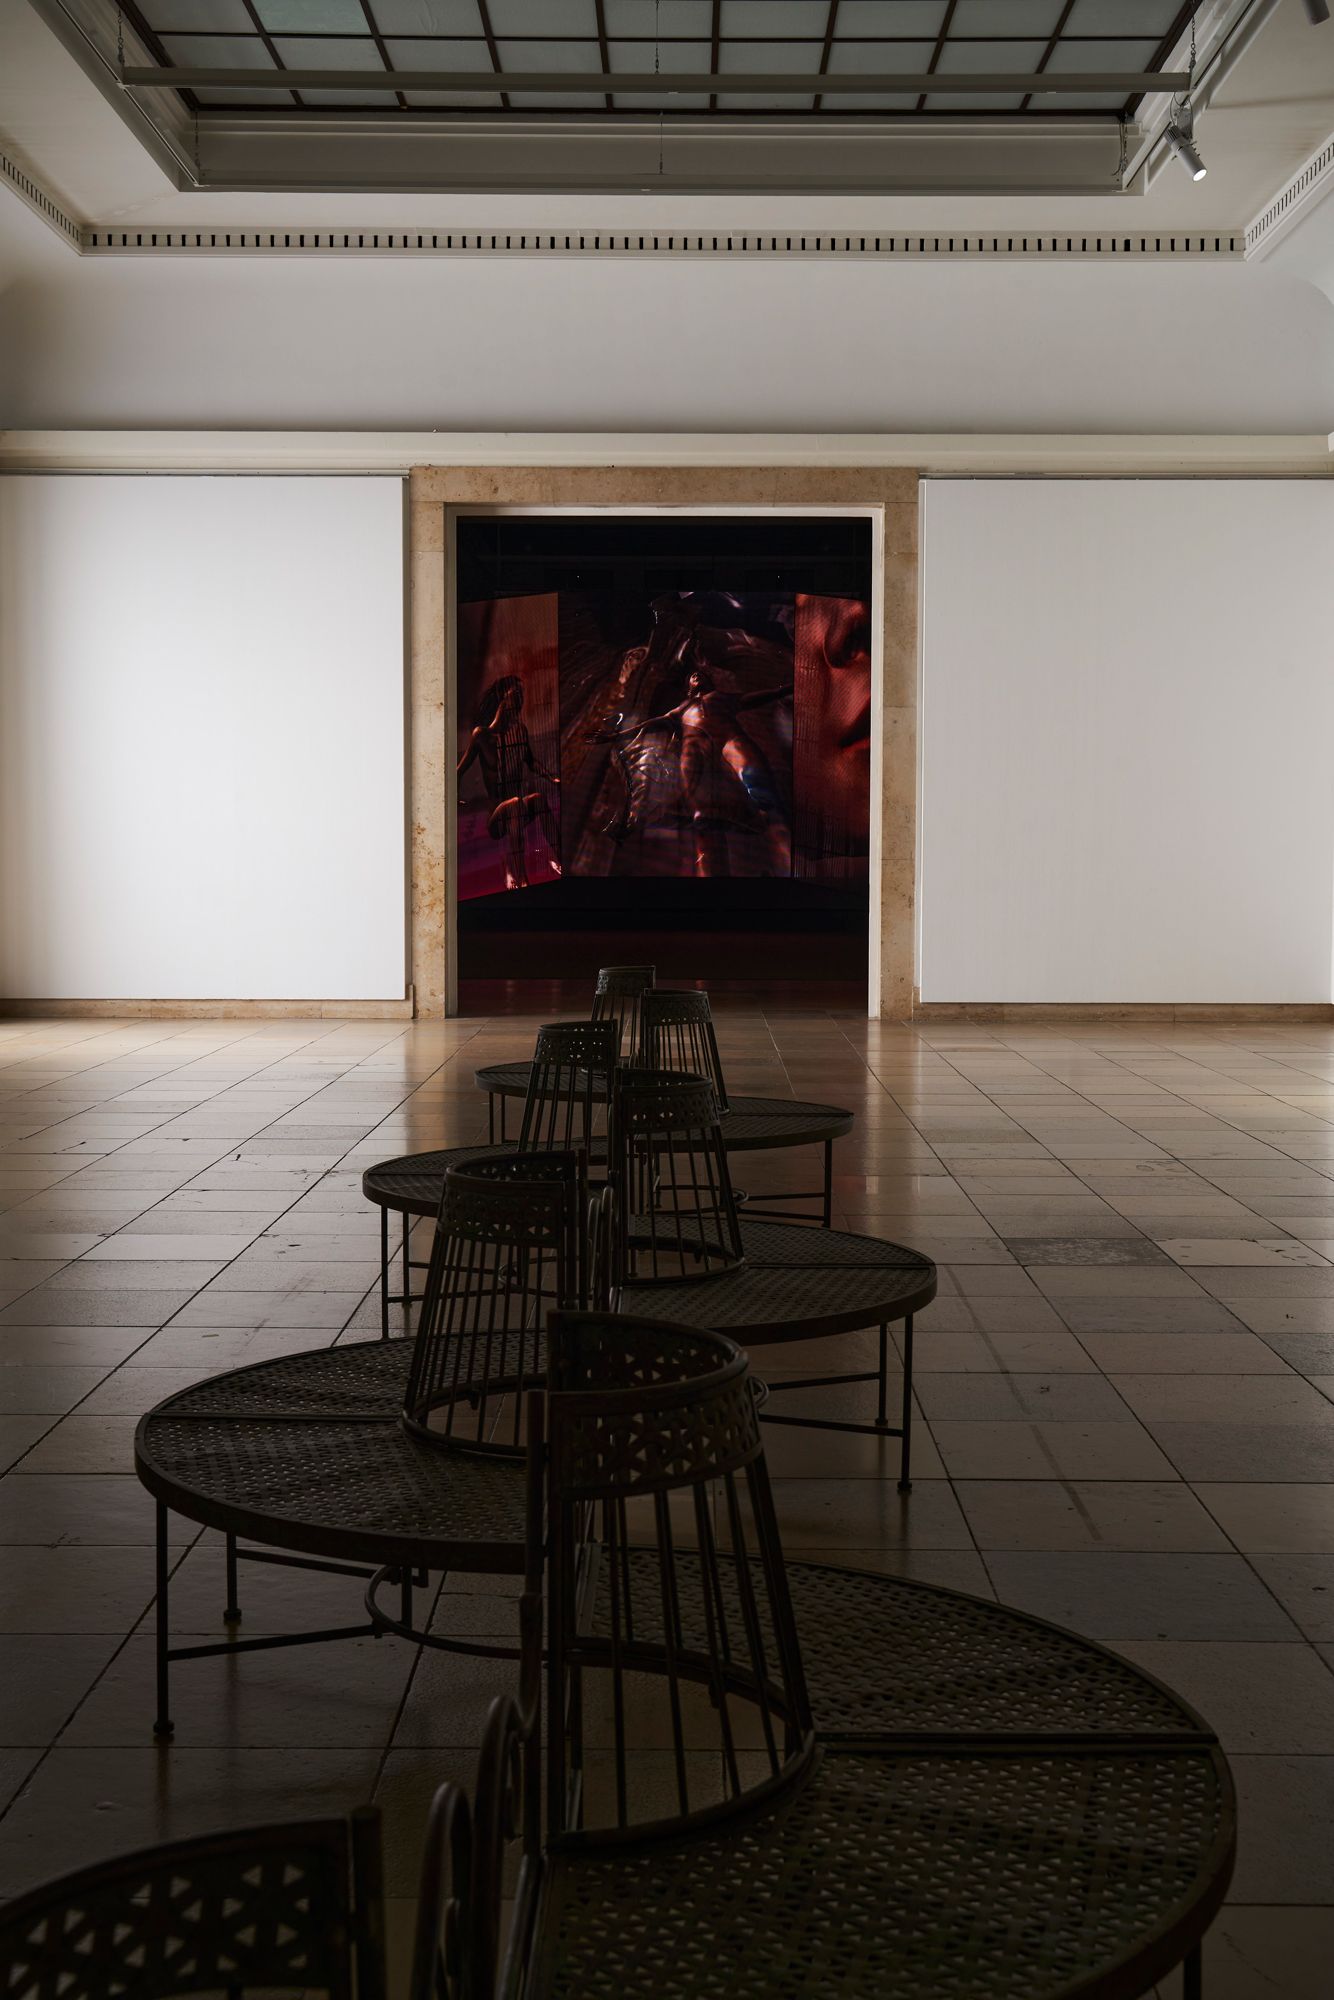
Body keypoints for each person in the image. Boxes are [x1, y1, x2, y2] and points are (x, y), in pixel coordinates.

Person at [598, 665, 793, 877]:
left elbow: (760, 697)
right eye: (692, 676)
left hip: (729, 738)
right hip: (694, 749)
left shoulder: (721, 697)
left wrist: (785, 690)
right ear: (688, 686)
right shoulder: (682, 708)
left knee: (761, 787)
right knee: (703, 819)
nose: (696, 675)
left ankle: (785, 856)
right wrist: (617, 735)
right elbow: (650, 725)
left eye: (700, 674)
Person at [456, 674, 560, 891]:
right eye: (516, 695)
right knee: (513, 803)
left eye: (522, 695)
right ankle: (520, 877)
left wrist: (551, 777)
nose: (521, 700)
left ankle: (559, 859)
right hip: (497, 819)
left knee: (538, 799)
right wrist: (455, 799)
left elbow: (531, 761)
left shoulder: (520, 731)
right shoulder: (482, 736)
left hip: (518, 810)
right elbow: (459, 771)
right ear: (502, 699)